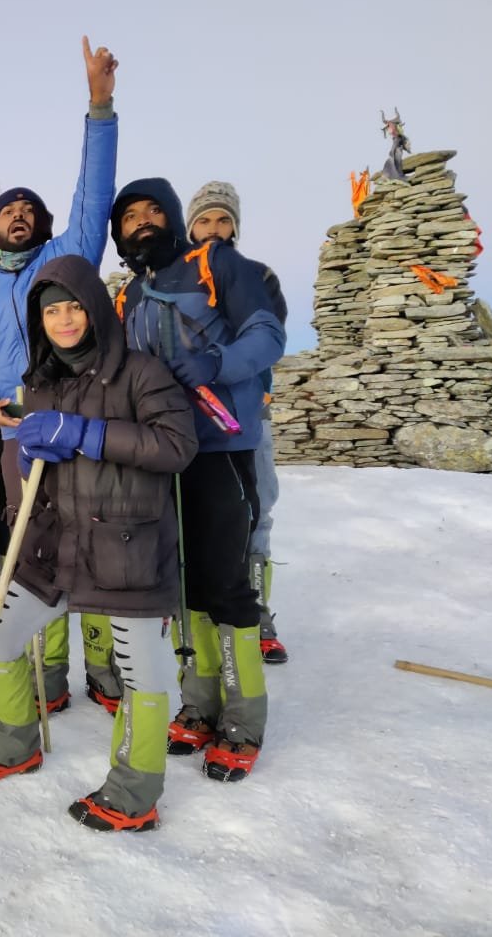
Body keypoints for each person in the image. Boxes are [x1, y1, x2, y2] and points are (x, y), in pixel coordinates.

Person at [0, 256, 196, 835]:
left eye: (73, 306)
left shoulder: (141, 374)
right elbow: (30, 465)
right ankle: (16, 741)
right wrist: (26, 462)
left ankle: (134, 793)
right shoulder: (40, 385)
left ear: (94, 308)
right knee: (2, 638)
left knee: (145, 675)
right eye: (51, 310)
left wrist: (87, 435)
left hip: (124, 552)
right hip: (54, 551)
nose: (64, 319)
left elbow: (176, 445)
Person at [0, 36, 120, 716]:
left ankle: (107, 670)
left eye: (28, 209)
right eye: (6, 210)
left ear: (45, 225)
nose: (17, 215)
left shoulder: (67, 258)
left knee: (103, 541)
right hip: (19, 436)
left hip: (84, 422)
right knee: (38, 552)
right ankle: (50, 674)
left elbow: (94, 193)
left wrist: (100, 107)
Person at [110, 177, 285, 781]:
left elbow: (268, 335)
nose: (142, 222)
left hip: (220, 446)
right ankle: (201, 702)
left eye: (153, 210)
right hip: (163, 454)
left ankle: (243, 719)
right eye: (130, 216)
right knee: (185, 585)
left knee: (226, 585)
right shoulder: (131, 294)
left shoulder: (215, 263)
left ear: (175, 217)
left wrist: (215, 362)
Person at [185, 180, 290, 664]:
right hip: (195, 423)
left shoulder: (257, 276)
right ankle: (204, 622)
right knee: (210, 521)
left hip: (247, 417)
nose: (213, 229)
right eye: (204, 220)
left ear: (236, 227)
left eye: (223, 220)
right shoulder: (176, 281)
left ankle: (257, 611)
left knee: (257, 511)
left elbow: (264, 336)